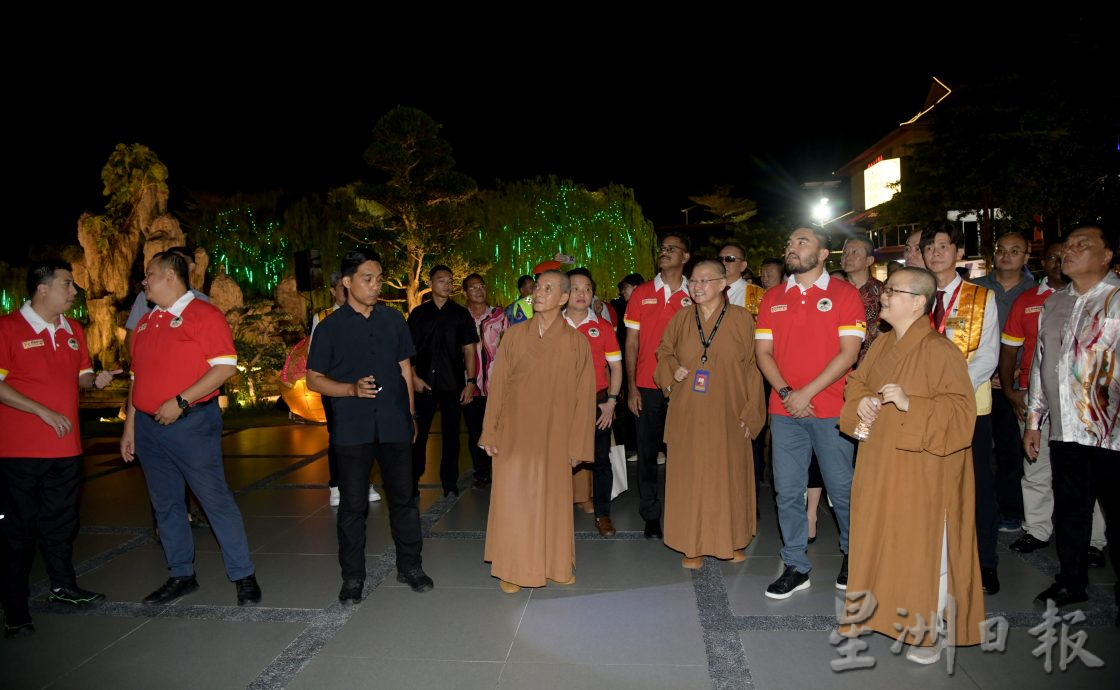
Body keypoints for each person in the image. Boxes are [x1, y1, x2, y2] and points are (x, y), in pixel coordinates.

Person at [839, 266, 983, 665]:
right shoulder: (883, 344)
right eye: (885, 290)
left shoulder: (939, 350)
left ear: (919, 302)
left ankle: (925, 632)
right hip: (881, 460)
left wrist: (909, 404)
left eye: (892, 291)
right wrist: (864, 401)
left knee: (923, 550)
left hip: (923, 469)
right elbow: (857, 382)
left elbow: (960, 415)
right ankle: (883, 616)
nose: (883, 296)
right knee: (882, 541)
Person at [120, 251, 261, 606]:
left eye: (149, 274)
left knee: (215, 500)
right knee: (166, 505)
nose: (144, 281)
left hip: (192, 423)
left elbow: (226, 367)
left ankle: (243, 575)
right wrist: (130, 428)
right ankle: (181, 574)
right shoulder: (149, 321)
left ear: (170, 276)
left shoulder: (203, 314)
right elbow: (138, 379)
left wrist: (180, 401)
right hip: (150, 429)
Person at [0, 260, 118, 638]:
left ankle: (63, 587)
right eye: (67, 284)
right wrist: (41, 411)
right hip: (18, 451)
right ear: (42, 288)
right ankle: (15, 609)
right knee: (17, 530)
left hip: (66, 450)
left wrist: (95, 381)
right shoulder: (7, 328)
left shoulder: (74, 330)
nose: (74, 292)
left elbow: (80, 376)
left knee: (62, 524)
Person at [307, 249, 432, 600]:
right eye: (367, 278)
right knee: (352, 506)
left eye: (378, 278)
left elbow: (405, 369)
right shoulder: (329, 327)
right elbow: (314, 379)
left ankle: (411, 566)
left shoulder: (393, 320)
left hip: (394, 423)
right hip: (352, 427)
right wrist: (348, 389)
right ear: (346, 283)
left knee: (405, 500)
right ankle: (352, 577)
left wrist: (411, 415)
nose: (375, 285)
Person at [755, 225, 864, 599]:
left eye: (802, 242)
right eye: (789, 241)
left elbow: (849, 353)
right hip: (785, 411)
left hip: (831, 408)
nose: (792, 247)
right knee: (787, 491)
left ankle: (854, 555)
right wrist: (787, 393)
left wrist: (807, 392)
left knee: (842, 490)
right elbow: (763, 353)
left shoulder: (844, 294)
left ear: (822, 255)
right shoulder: (773, 298)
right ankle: (796, 565)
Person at [481, 270, 595, 593]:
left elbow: (584, 399)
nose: (539, 292)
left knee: (554, 500)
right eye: (537, 287)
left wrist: (578, 445)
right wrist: (490, 430)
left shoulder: (576, 343)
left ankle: (556, 562)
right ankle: (513, 567)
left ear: (563, 298)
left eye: (549, 288)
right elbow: (498, 386)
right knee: (515, 499)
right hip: (515, 432)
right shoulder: (515, 336)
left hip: (556, 434)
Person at [1025, 225, 1119, 614]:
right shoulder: (1055, 303)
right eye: (1067, 246)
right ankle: (1071, 580)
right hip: (1065, 430)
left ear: (1107, 256)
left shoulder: (1116, 299)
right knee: (1071, 510)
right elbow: (1041, 363)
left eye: (1083, 246)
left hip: (1113, 434)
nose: (1070, 251)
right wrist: (1034, 421)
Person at [654, 259, 765, 568]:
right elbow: (663, 352)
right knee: (691, 477)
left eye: (705, 281)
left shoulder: (742, 319)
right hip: (688, 409)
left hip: (730, 410)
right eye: (693, 281)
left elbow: (754, 368)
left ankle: (732, 539)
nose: (697, 286)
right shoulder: (680, 318)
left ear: (721, 285)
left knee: (729, 475)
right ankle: (693, 543)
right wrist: (672, 370)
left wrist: (752, 411)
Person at [920, 221, 1002, 595]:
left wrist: (950, 391)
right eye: (928, 246)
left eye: (942, 245)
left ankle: (985, 562)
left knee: (977, 486)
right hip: (919, 409)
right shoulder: (913, 297)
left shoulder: (979, 297)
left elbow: (988, 355)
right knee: (926, 485)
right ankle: (929, 558)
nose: (935, 252)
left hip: (969, 407)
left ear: (957, 252)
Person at [124, 245, 211, 534]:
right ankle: (172, 537)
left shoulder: (203, 305)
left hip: (192, 411)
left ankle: (239, 568)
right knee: (163, 486)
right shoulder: (147, 307)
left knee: (205, 484)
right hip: (152, 414)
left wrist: (183, 400)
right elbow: (135, 349)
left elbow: (220, 363)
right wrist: (131, 425)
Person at [624, 232, 693, 539]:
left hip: (685, 386)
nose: (664, 252)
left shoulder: (697, 292)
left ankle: (684, 511)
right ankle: (651, 515)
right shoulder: (641, 293)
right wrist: (632, 388)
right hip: (647, 386)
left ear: (685, 257)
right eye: (662, 249)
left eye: (672, 249)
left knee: (684, 453)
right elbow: (631, 343)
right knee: (648, 454)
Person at [1001, 242, 1064, 554]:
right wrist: (1011, 391)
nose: (1058, 261)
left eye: (1064, 255)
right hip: (1034, 397)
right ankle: (1037, 529)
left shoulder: (1097, 299)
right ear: (1042, 261)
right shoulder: (1028, 300)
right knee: (1036, 467)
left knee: (1084, 472)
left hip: (1083, 403)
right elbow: (1010, 349)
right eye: (1052, 256)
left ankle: (1094, 540)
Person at [973, 232, 1038, 534]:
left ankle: (1011, 511)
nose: (1007, 255)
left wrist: (1011, 374)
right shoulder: (976, 289)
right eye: (1002, 249)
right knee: (981, 451)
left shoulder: (1036, 292)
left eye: (1015, 251)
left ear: (1026, 257)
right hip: (979, 382)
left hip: (1017, 384)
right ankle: (980, 508)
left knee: (1012, 450)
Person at [407, 264, 479, 497]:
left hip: (452, 382)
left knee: (452, 436)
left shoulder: (460, 314)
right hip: (423, 383)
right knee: (419, 434)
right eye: (441, 280)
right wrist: (414, 378)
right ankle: (412, 480)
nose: (447, 285)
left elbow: (469, 350)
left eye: (450, 281)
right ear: (430, 284)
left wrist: (471, 382)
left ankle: (449, 482)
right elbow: (408, 351)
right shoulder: (418, 315)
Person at [310, 271, 380, 506]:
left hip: (365, 384)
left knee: (369, 434)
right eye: (341, 288)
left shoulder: (370, 314)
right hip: (336, 388)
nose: (346, 292)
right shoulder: (324, 318)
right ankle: (336, 484)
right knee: (338, 436)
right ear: (333, 291)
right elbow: (316, 360)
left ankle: (366, 481)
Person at [564, 269, 623, 536]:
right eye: (575, 288)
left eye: (587, 289)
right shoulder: (552, 325)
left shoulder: (602, 327)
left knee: (600, 460)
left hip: (598, 404)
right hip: (561, 405)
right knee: (559, 461)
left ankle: (603, 515)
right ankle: (556, 513)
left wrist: (611, 401)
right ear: (565, 293)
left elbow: (617, 368)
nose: (581, 294)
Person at [461, 273, 509, 490]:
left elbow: (509, 350)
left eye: (481, 286)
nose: (478, 290)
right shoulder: (461, 318)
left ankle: (500, 470)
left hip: (496, 385)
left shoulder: (499, 316)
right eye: (473, 287)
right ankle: (481, 473)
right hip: (470, 385)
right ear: (465, 293)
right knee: (475, 431)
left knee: (499, 429)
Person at [840, 236, 884, 365]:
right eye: (845, 252)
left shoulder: (883, 292)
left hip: (873, 363)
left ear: (869, 260)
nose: (847, 257)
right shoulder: (833, 291)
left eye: (855, 252)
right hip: (837, 364)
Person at [720, 242, 765, 316]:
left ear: (743, 265)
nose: (723, 262)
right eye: (720, 259)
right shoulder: (708, 291)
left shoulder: (758, 295)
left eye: (730, 258)